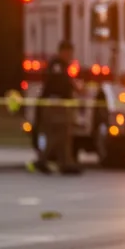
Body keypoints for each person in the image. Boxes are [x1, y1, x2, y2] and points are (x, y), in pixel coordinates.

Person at [28, 41, 83, 175]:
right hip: (55, 105)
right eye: (69, 53)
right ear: (63, 52)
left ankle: (66, 163)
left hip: (60, 105)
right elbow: (60, 83)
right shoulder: (57, 65)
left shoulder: (62, 66)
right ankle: (43, 161)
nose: (70, 56)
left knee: (64, 135)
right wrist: (74, 86)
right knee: (56, 135)